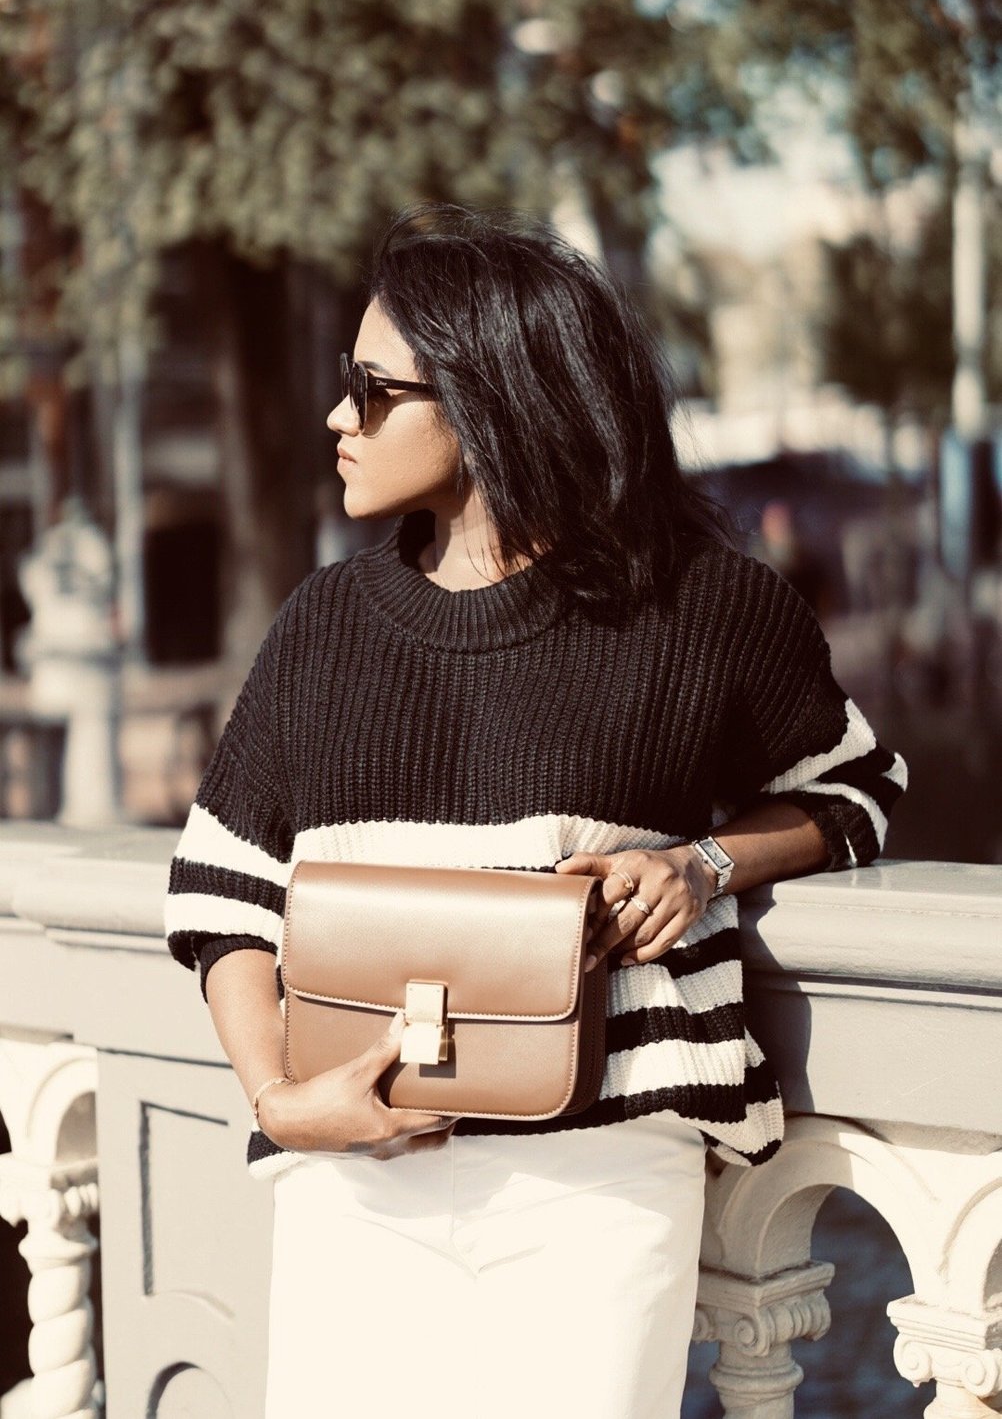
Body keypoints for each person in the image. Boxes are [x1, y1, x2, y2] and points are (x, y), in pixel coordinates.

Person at [163, 202, 908, 1419]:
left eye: (370, 388)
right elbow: (224, 890)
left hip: (602, 1182)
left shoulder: (706, 608)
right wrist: (282, 1102)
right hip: (356, 1176)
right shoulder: (324, 627)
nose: (336, 417)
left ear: (485, 401)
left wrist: (708, 862)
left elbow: (860, 789)